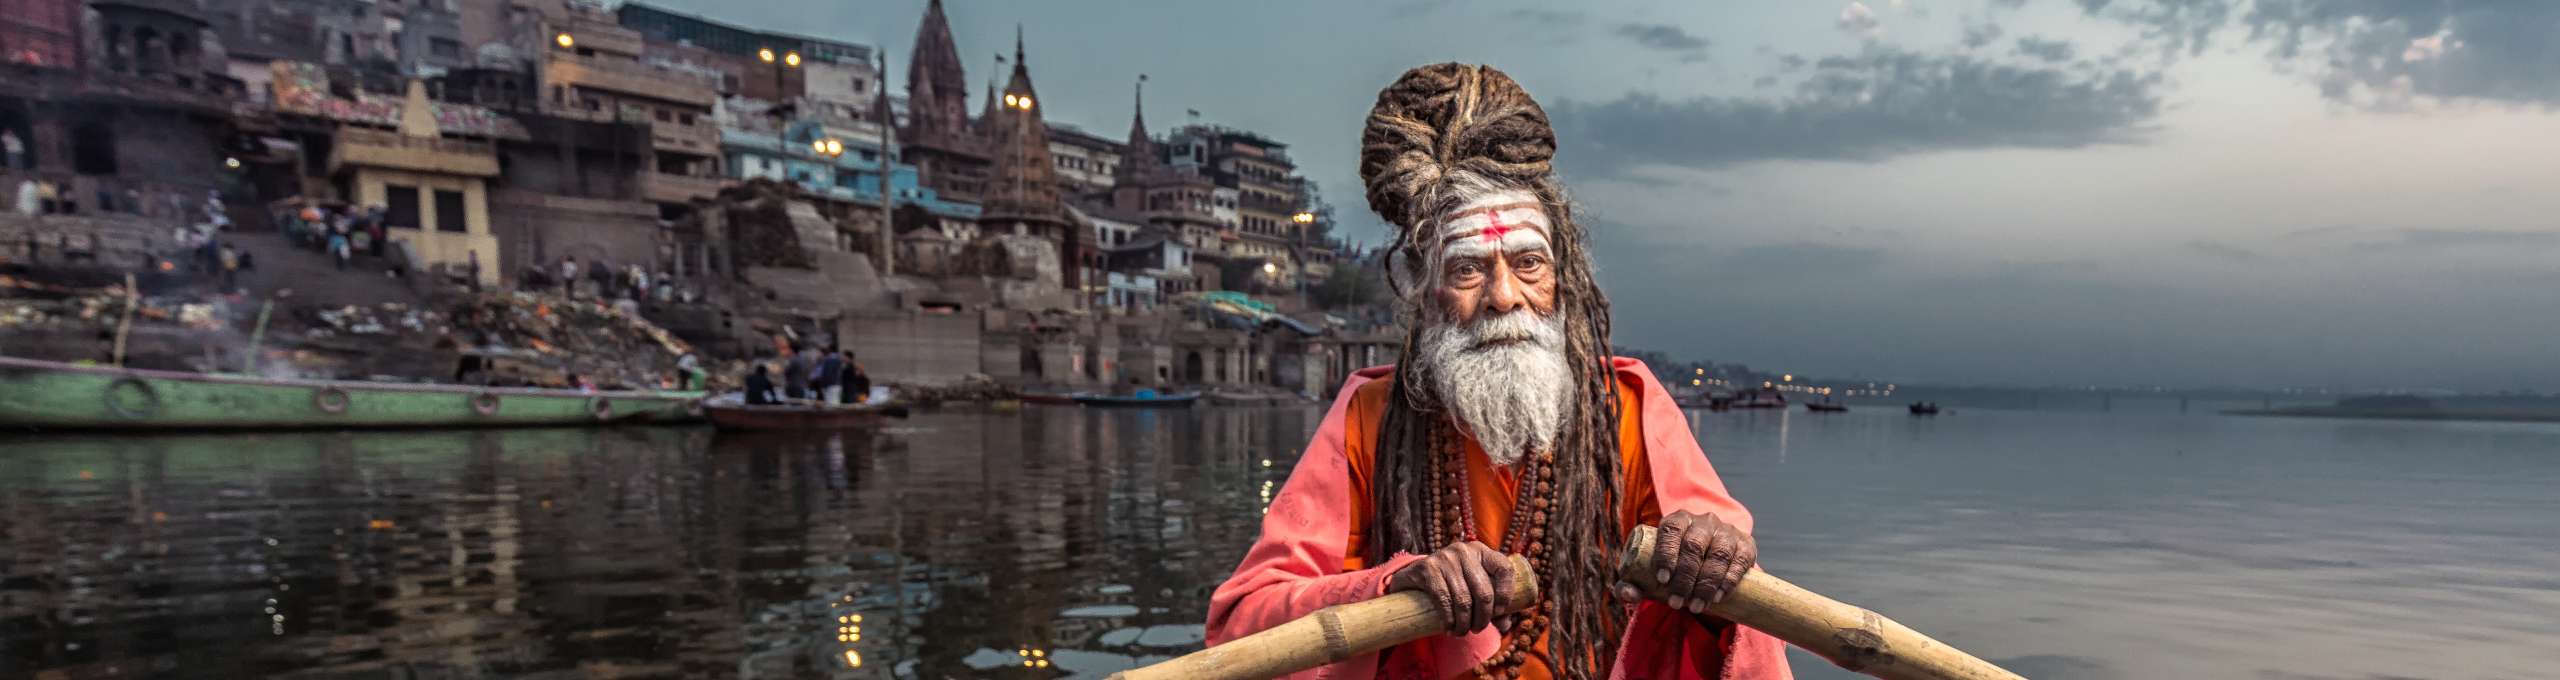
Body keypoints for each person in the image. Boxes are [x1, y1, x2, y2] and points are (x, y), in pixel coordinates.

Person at [1206, 64, 1789, 680]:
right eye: (1468, 269)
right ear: (1424, 291)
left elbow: (1725, 580)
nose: (1503, 295)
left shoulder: (1627, 405)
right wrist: (1394, 585)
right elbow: (1243, 620)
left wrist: (1712, 555)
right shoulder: (1369, 414)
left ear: (1563, 279)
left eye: (1529, 263)